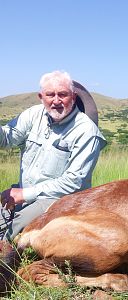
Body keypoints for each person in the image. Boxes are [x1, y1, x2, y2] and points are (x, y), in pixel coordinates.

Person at [0, 71, 106, 241]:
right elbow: (7, 138)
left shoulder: (87, 131)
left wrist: (25, 194)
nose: (56, 100)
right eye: (50, 95)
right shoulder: (34, 114)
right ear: (41, 97)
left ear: (73, 96)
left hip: (59, 201)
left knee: (12, 232)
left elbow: (74, 182)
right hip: (25, 194)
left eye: (62, 94)